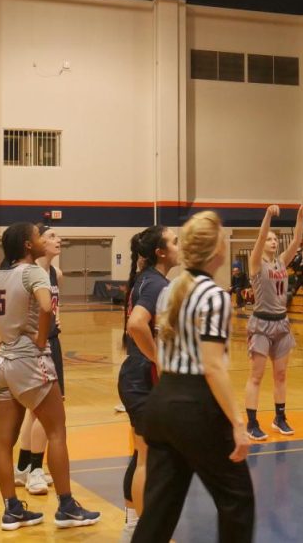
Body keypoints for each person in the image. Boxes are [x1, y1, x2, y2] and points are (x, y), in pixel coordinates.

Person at [0, 222, 99, 531]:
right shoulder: (34, 271)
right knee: (56, 431)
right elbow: (44, 306)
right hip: (28, 359)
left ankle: (11, 509)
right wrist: (40, 339)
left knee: (3, 441)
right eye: (38, 236)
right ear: (28, 245)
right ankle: (67, 507)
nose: (42, 239)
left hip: (2, 362)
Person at [133, 211, 255, 543]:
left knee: (158, 513)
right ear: (217, 250)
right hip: (194, 405)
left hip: (162, 402)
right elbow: (212, 366)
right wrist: (238, 423)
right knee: (237, 501)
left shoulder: (171, 291)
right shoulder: (215, 295)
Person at [117, 226, 180, 540]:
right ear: (161, 251)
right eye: (175, 242)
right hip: (144, 378)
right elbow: (136, 324)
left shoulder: (147, 279)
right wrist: (160, 359)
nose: (179, 246)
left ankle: (133, 527)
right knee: (148, 459)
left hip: (136, 376)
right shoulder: (156, 283)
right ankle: (146, 533)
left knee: (142, 454)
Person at [246, 201, 303, 441]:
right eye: (270, 239)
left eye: (275, 240)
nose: (273, 242)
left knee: (281, 375)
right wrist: (267, 215)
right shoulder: (256, 263)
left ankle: (280, 417)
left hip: (281, 323)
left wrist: (300, 216)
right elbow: (261, 235)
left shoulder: (281, 262)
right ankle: (252, 422)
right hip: (261, 324)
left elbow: (296, 241)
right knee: (256, 376)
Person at [14, 226, 66, 497]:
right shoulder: (29, 273)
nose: (58, 240)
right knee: (46, 409)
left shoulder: (56, 274)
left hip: (51, 341)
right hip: (36, 345)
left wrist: (57, 318)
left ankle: (23, 466)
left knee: (35, 410)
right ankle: (35, 469)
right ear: (38, 242)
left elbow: (54, 307)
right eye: (52, 236)